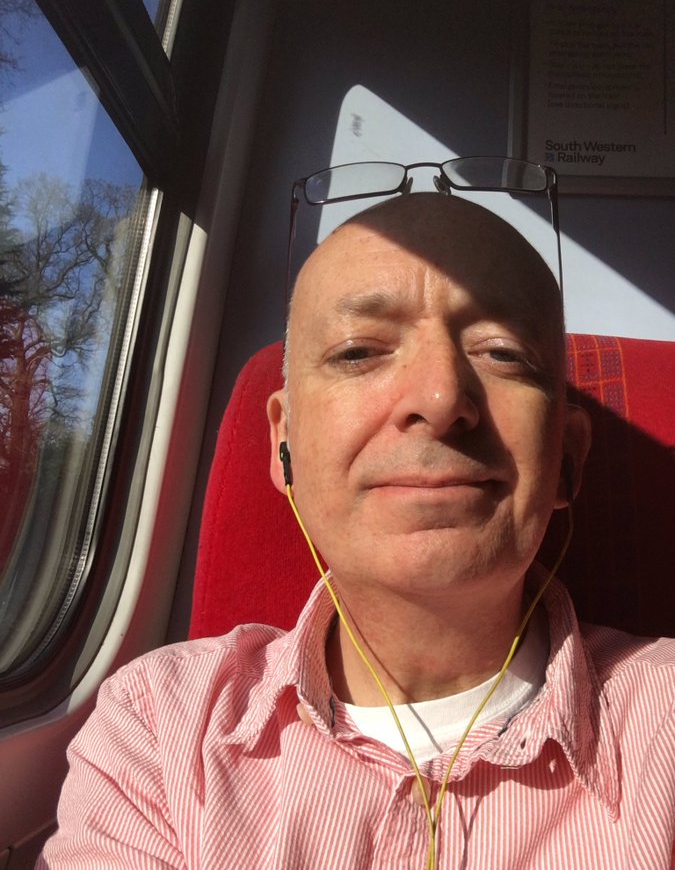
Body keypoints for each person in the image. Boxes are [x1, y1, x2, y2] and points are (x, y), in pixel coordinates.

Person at [38, 193, 675, 869]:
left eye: (502, 353)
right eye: (358, 353)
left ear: (566, 460)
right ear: (284, 444)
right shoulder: (159, 726)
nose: (439, 400)